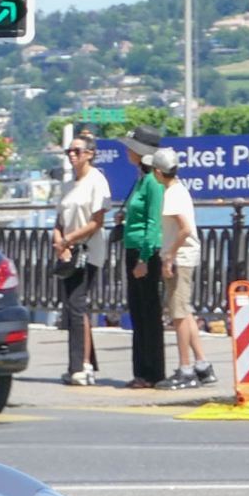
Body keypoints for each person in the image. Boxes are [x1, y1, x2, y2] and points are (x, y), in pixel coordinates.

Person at [52, 138, 110, 386]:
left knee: (77, 305)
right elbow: (59, 219)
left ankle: (79, 365)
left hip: (88, 250)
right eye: (69, 151)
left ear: (90, 154)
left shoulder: (97, 181)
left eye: (77, 151)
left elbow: (97, 222)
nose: (72, 155)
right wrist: (59, 242)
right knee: (74, 306)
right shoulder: (66, 186)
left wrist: (69, 239)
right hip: (68, 250)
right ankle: (85, 362)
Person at [121, 149, 170, 388]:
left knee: (149, 313)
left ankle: (153, 372)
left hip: (145, 252)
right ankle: (140, 370)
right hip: (133, 249)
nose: (127, 152)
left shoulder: (152, 181)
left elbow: (154, 221)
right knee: (137, 313)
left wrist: (144, 258)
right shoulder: (141, 179)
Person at [161, 158, 209, 388]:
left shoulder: (171, 194)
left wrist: (170, 256)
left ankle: (186, 369)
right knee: (185, 310)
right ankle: (202, 365)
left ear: (159, 171)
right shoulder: (179, 189)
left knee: (178, 315)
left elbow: (185, 229)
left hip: (180, 257)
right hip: (185, 256)